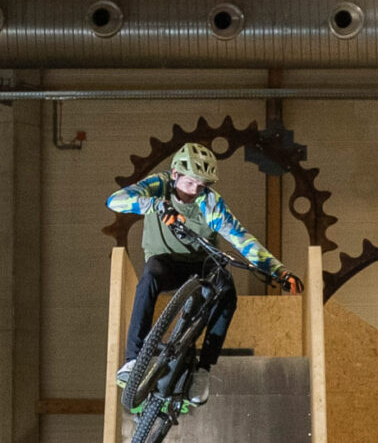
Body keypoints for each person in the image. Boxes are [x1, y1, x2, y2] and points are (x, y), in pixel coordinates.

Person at [106, 143, 302, 405]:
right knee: (150, 277)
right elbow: (114, 200)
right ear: (175, 175)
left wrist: (279, 271)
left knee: (227, 290)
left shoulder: (210, 202)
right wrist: (156, 205)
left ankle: (203, 370)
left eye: (201, 185)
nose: (195, 191)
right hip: (165, 263)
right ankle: (133, 360)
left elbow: (242, 239)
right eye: (190, 184)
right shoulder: (159, 185)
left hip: (202, 263)